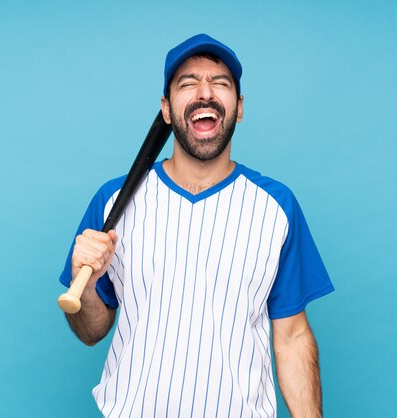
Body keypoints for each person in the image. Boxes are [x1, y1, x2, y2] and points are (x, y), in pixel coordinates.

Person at [59, 33, 334, 418]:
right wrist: (85, 285)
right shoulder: (113, 203)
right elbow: (91, 331)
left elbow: (291, 336)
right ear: (167, 109)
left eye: (220, 83)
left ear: (238, 108)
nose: (205, 93)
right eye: (188, 83)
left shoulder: (277, 207)